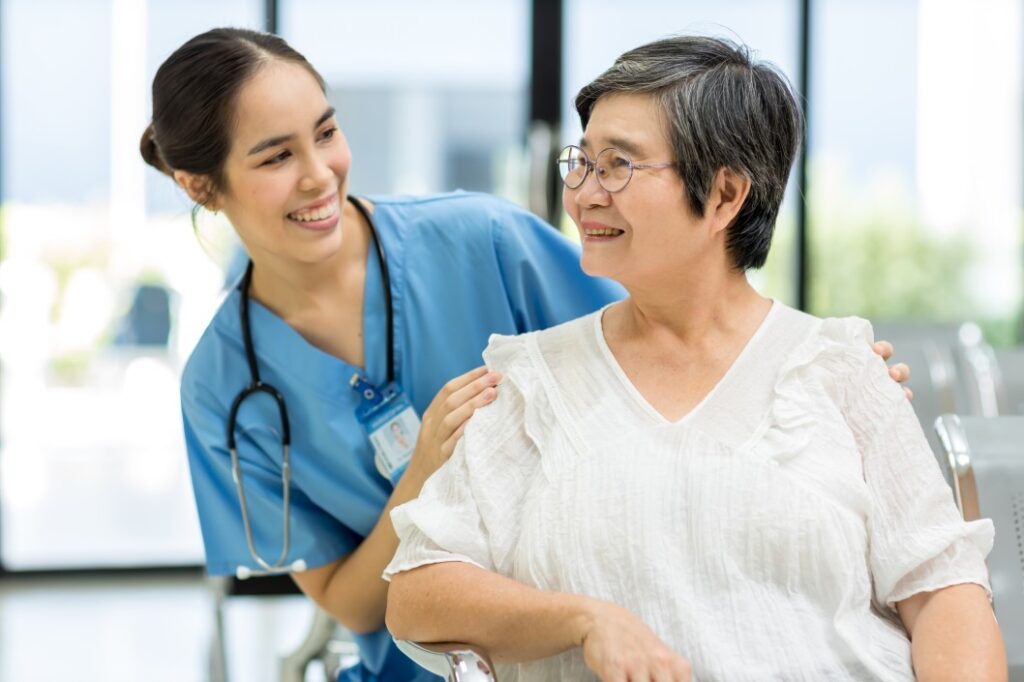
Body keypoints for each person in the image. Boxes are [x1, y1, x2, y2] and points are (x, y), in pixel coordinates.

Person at [142, 28, 910, 681]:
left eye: (327, 131)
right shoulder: (223, 386)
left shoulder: (482, 242)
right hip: (429, 655)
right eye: (276, 156)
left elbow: (673, 335)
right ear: (201, 185)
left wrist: (807, 375)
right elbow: (350, 603)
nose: (320, 174)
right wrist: (422, 475)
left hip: (625, 610)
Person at [384, 36, 1007, 681]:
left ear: (724, 195)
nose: (584, 194)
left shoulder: (840, 368)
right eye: (582, 161)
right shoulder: (527, 380)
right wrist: (585, 619)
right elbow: (419, 592)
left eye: (618, 165)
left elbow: (943, 594)